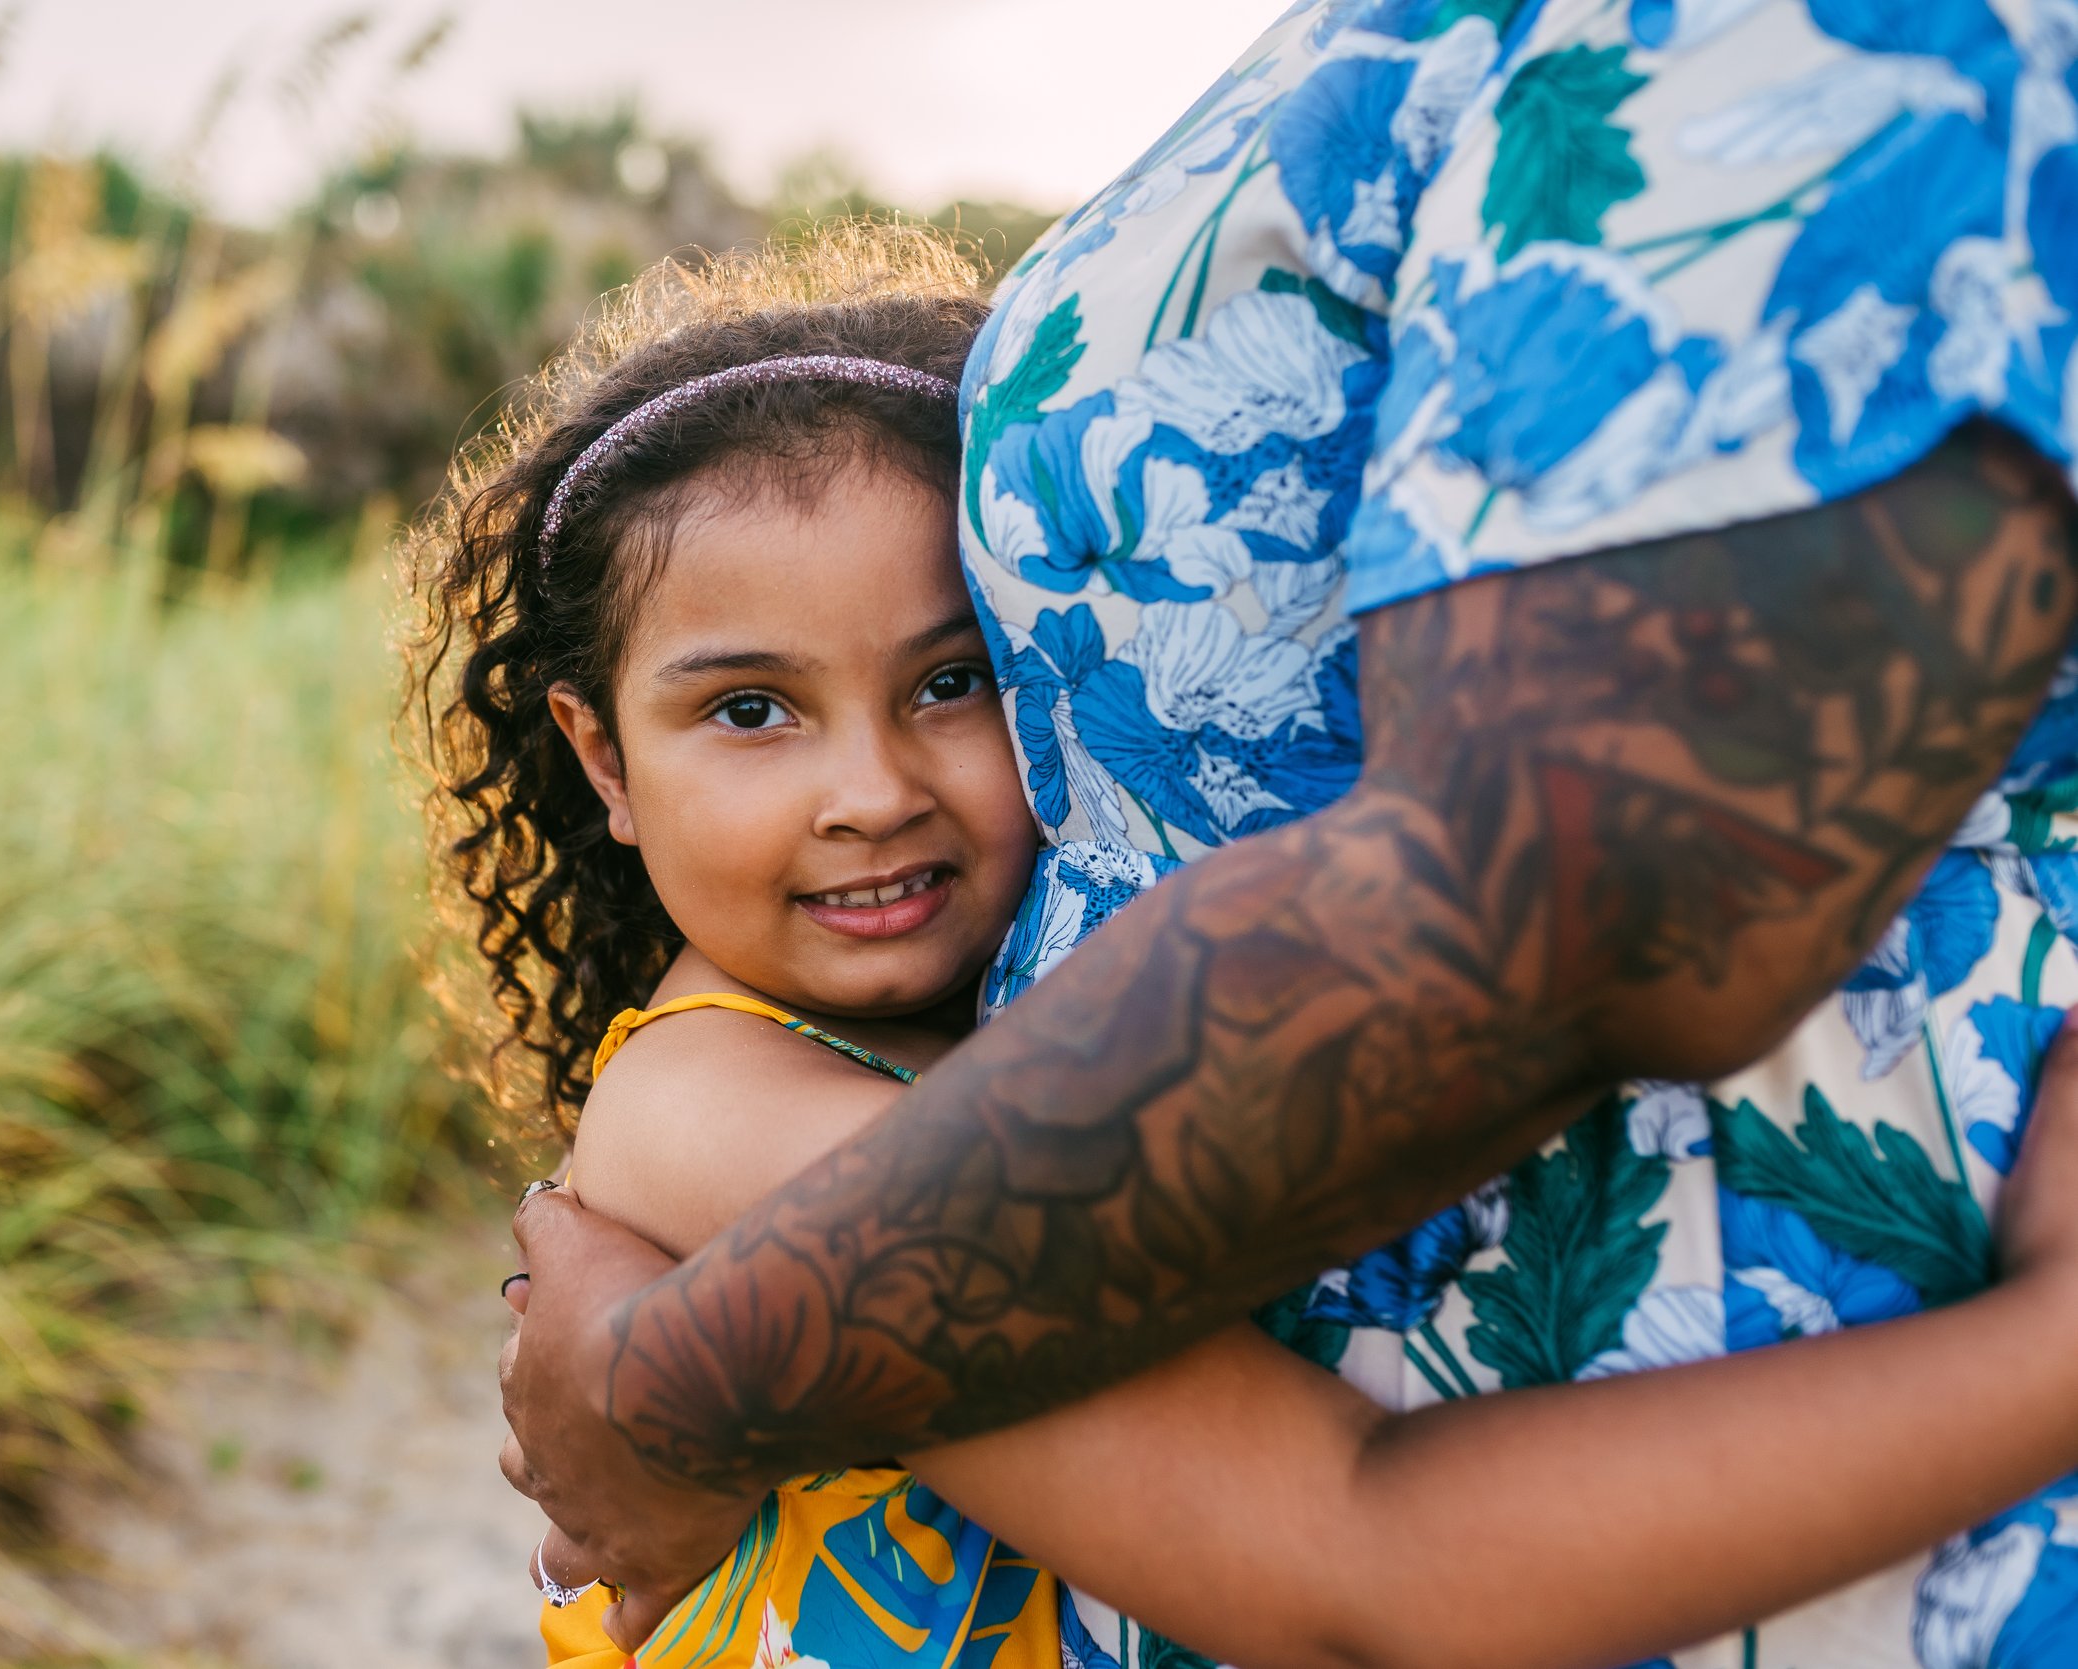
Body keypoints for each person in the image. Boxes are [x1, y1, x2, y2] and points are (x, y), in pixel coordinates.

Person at [497, 3, 2078, 1666]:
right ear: (598, 757)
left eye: (959, 677)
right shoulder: (718, 1126)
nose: (875, 788)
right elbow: (1364, 1550)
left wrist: (667, 1388)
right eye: (750, 708)